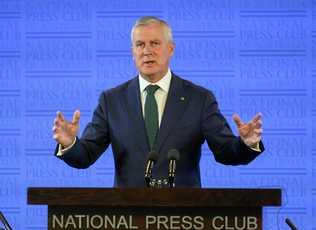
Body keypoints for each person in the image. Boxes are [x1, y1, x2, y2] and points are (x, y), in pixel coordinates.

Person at [53, 16, 264, 187]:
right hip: (127, 217)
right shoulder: (112, 100)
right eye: (140, 45)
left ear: (170, 49)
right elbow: (86, 155)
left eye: (155, 43)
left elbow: (226, 152)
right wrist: (70, 143)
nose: (147, 51)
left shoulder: (199, 98)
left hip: (185, 218)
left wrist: (247, 144)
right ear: (132, 53)